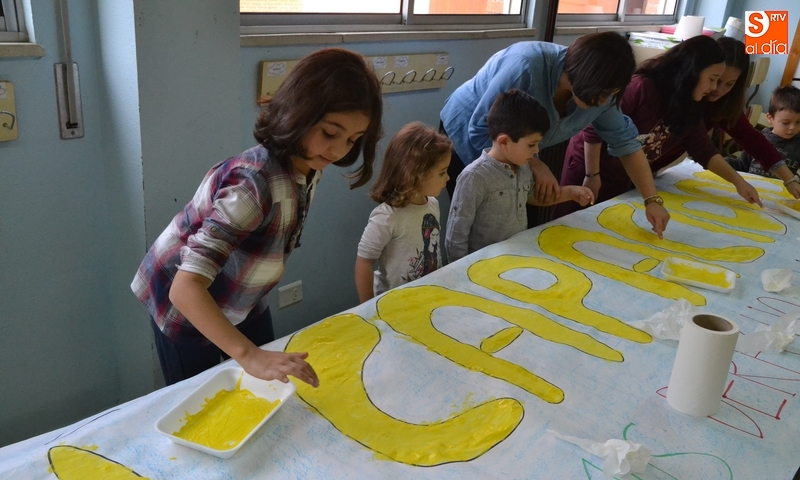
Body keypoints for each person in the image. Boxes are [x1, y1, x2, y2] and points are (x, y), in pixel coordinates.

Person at [131, 48, 383, 386]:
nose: (338, 150)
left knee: (269, 373)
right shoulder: (253, 185)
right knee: (205, 394)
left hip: (242, 293)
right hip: (184, 305)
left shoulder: (310, 164)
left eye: (352, 140)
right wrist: (248, 355)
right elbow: (185, 288)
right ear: (299, 112)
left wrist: (253, 355)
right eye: (329, 133)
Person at [439, 31, 670, 237]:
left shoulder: (603, 93)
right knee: (484, 225)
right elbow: (481, 130)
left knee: (517, 223)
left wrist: (652, 200)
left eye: (611, 94)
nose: (603, 102)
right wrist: (535, 165)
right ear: (585, 76)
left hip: (520, 152)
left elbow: (626, 144)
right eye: (602, 94)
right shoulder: (526, 65)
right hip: (468, 135)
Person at [556, 35, 763, 221]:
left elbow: (703, 148)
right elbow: (593, 130)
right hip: (590, 166)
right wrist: (592, 175)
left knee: (604, 222)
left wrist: (739, 182)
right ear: (692, 71)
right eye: (712, 79)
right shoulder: (641, 88)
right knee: (569, 222)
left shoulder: (690, 104)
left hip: (623, 173)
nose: (713, 88)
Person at [445, 90, 594, 263]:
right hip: (483, 266)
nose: (536, 150)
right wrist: (460, 271)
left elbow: (533, 196)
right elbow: (456, 235)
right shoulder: (474, 177)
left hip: (516, 259)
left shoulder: (523, 167)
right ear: (504, 142)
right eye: (531, 144)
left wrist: (570, 193)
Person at [656, 37, 800, 198]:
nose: (717, 89)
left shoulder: (723, 105)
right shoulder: (681, 97)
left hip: (655, 169)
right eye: (714, 80)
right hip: (642, 165)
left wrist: (789, 179)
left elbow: (753, 141)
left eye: (729, 84)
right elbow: (701, 149)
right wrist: (738, 181)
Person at [355, 123, 452, 303]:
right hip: (394, 302)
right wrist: (366, 307)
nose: (448, 177)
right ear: (416, 174)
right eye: (442, 172)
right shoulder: (387, 217)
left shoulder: (433, 204)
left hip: (427, 295)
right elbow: (364, 262)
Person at [726, 85, 800, 192]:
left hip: (779, 194)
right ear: (770, 118)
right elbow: (742, 165)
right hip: (752, 190)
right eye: (786, 122)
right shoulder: (758, 140)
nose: (792, 127)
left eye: (798, 122)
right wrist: (723, 162)